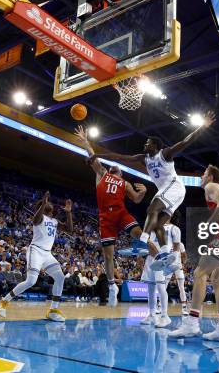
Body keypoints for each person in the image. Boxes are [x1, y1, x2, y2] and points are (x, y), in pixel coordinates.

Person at [89, 112, 215, 268]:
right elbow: (121, 157)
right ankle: (165, 255)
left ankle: (141, 242)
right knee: (157, 225)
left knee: (152, 208)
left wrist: (203, 127)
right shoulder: (143, 158)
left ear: (155, 146)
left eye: (147, 143)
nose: (145, 144)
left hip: (174, 186)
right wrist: (98, 155)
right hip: (170, 191)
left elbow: (185, 141)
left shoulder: (165, 154)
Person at [170, 164, 219, 342]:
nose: (201, 177)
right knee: (217, 279)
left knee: (199, 273)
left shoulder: (211, 187)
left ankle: (191, 323)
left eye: (204, 174)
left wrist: (208, 226)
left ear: (211, 177)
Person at [75, 125, 147, 306]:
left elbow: (137, 200)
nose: (115, 168)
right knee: (108, 256)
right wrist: (85, 142)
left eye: (118, 169)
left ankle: (158, 255)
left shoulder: (125, 183)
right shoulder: (102, 174)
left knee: (141, 234)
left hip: (121, 213)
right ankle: (112, 285)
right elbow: (93, 157)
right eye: (113, 167)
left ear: (121, 173)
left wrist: (144, 192)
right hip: (105, 217)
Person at [0, 192, 73, 321]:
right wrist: (43, 203)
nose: (49, 203)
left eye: (48, 203)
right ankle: (4, 302)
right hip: (36, 250)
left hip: (47, 253)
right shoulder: (39, 218)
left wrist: (68, 212)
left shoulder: (54, 221)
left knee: (60, 277)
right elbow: (35, 219)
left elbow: (69, 229)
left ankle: (53, 311)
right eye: (45, 203)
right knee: (31, 281)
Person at [140, 218, 182, 328]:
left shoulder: (174, 228)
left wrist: (173, 262)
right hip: (150, 258)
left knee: (161, 287)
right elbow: (148, 244)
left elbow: (176, 247)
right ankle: (152, 314)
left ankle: (164, 316)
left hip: (163, 258)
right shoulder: (152, 227)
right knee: (150, 288)